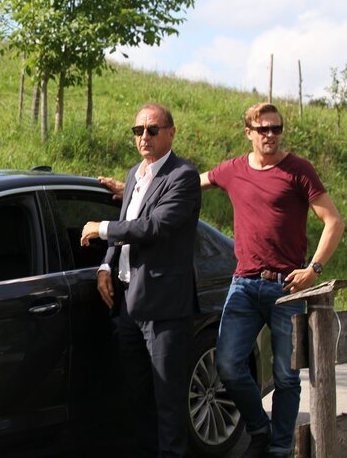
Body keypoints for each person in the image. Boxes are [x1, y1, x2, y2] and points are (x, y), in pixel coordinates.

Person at [201, 103, 344, 458]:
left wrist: (314, 269)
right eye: (263, 129)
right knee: (228, 366)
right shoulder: (233, 170)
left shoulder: (298, 170)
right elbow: (187, 184)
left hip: (287, 288)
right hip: (244, 285)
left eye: (276, 129)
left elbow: (333, 221)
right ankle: (259, 429)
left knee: (286, 377)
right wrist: (135, 187)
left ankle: (279, 448)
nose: (270, 135)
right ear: (248, 132)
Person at [80, 102, 201, 458]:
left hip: (164, 307)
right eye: (138, 130)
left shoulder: (183, 176)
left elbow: (154, 226)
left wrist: (101, 228)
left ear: (171, 133)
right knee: (136, 396)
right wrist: (106, 266)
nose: (144, 136)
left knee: (168, 400)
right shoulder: (135, 174)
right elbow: (128, 221)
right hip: (128, 303)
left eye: (152, 129)